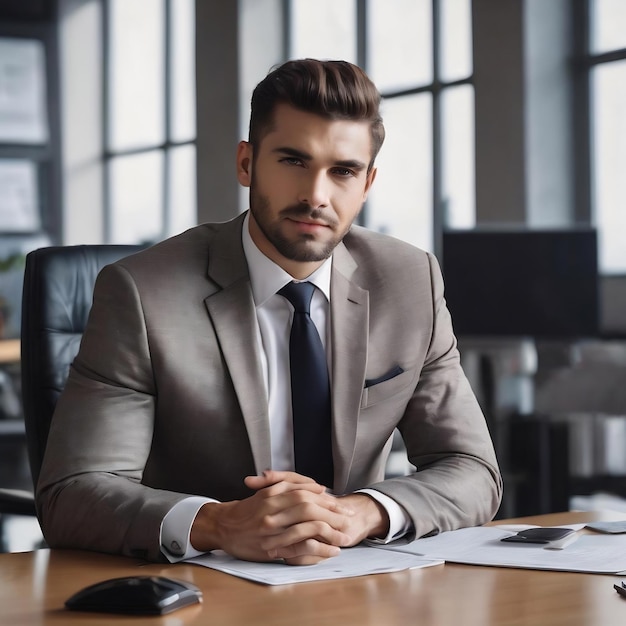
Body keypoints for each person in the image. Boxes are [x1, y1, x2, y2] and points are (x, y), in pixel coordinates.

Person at [37, 59, 502, 565]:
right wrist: (218, 523)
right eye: (292, 161)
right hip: (203, 585)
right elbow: (72, 493)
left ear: (366, 184)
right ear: (246, 163)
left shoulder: (410, 281)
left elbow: (472, 467)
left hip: (360, 578)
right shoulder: (142, 293)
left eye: (342, 171)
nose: (315, 196)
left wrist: (362, 513)